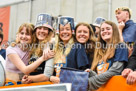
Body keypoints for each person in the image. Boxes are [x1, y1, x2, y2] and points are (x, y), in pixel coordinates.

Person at [86, 21, 128, 90]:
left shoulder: (121, 46)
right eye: (102, 30)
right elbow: (104, 74)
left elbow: (115, 70)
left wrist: (91, 82)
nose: (105, 31)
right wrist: (91, 73)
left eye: (108, 29)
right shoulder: (101, 50)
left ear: (114, 31)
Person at [50, 16, 89, 83]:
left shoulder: (78, 47)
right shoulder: (55, 49)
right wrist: (50, 77)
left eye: (67, 29)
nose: (64, 32)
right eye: (62, 29)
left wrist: (64, 79)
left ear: (72, 31)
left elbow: (83, 72)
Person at [22, 13, 55, 83]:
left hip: (45, 87)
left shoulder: (51, 46)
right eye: (39, 28)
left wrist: (29, 78)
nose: (42, 31)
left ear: (49, 32)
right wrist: (25, 78)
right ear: (35, 31)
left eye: (45, 29)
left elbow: (47, 76)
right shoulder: (33, 46)